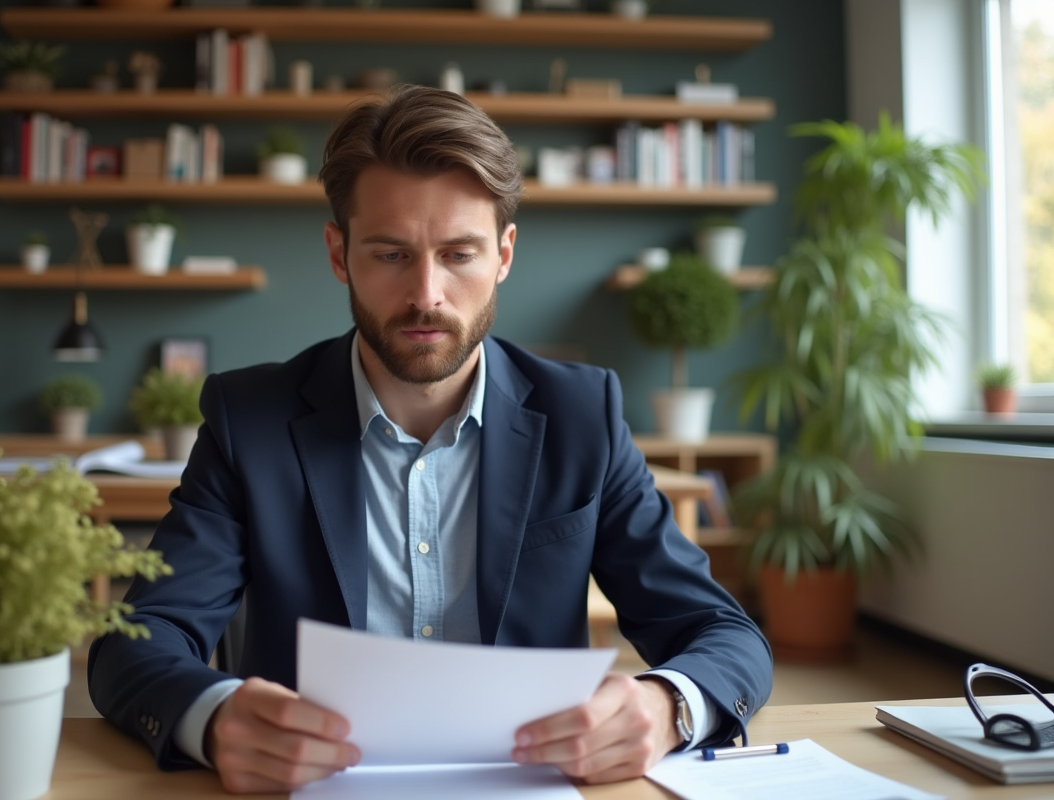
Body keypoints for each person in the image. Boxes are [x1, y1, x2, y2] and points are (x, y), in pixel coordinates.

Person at [88, 84, 772, 794]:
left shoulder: (582, 414)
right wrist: (215, 716)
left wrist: (666, 707)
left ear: (504, 254)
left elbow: (724, 635)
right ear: (338, 253)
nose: (426, 294)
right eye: (390, 255)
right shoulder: (248, 420)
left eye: (459, 254)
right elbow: (136, 641)